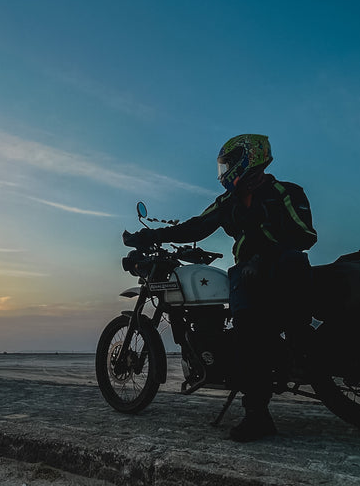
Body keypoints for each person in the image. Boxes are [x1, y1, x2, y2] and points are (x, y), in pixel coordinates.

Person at [123, 134, 317, 441]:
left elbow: (305, 235)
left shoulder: (284, 192)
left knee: (249, 329)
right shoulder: (229, 201)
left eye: (228, 164)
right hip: (246, 271)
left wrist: (263, 255)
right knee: (244, 322)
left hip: (280, 266)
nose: (224, 171)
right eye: (223, 166)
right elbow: (195, 226)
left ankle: (258, 413)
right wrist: (151, 236)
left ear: (249, 158)